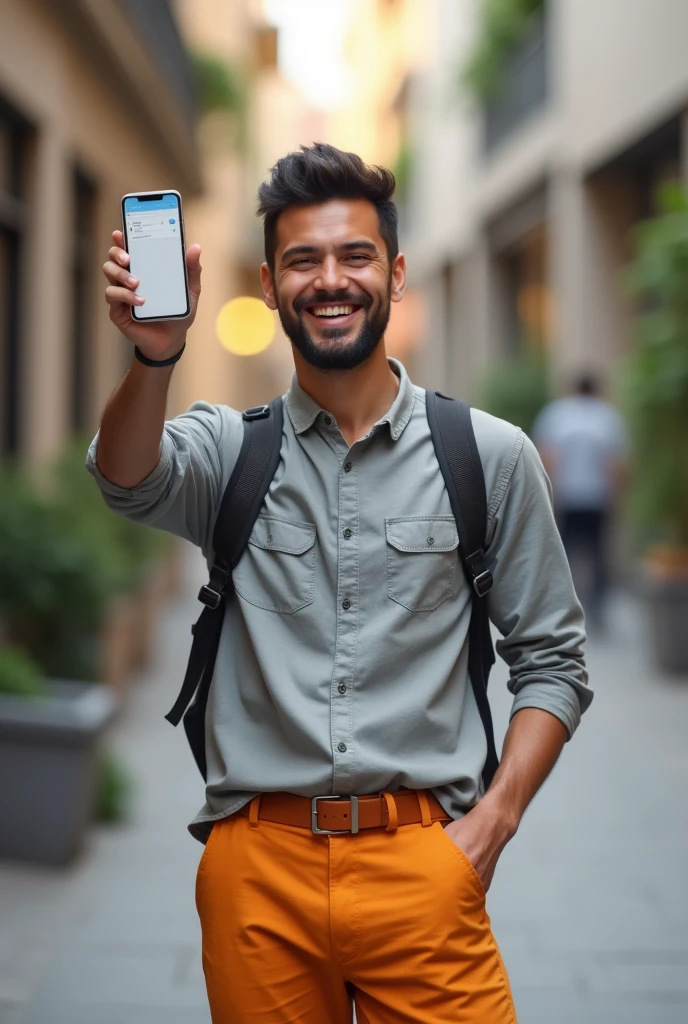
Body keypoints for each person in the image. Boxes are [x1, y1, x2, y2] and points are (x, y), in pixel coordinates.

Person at [88, 143, 592, 1024]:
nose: (331, 280)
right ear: (270, 282)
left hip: (427, 865)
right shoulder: (228, 447)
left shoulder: (489, 456)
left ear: (394, 275)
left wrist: (493, 825)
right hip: (259, 875)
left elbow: (553, 660)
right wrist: (155, 357)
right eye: (303, 260)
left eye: (354, 256)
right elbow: (126, 479)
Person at [533, 374, 628, 629]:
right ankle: (597, 609)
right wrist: (616, 494)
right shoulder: (607, 417)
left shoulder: (557, 415)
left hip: (567, 496)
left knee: (563, 553)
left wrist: (548, 490)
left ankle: (562, 606)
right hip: (596, 497)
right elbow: (615, 463)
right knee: (598, 554)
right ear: (596, 390)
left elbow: (546, 457)